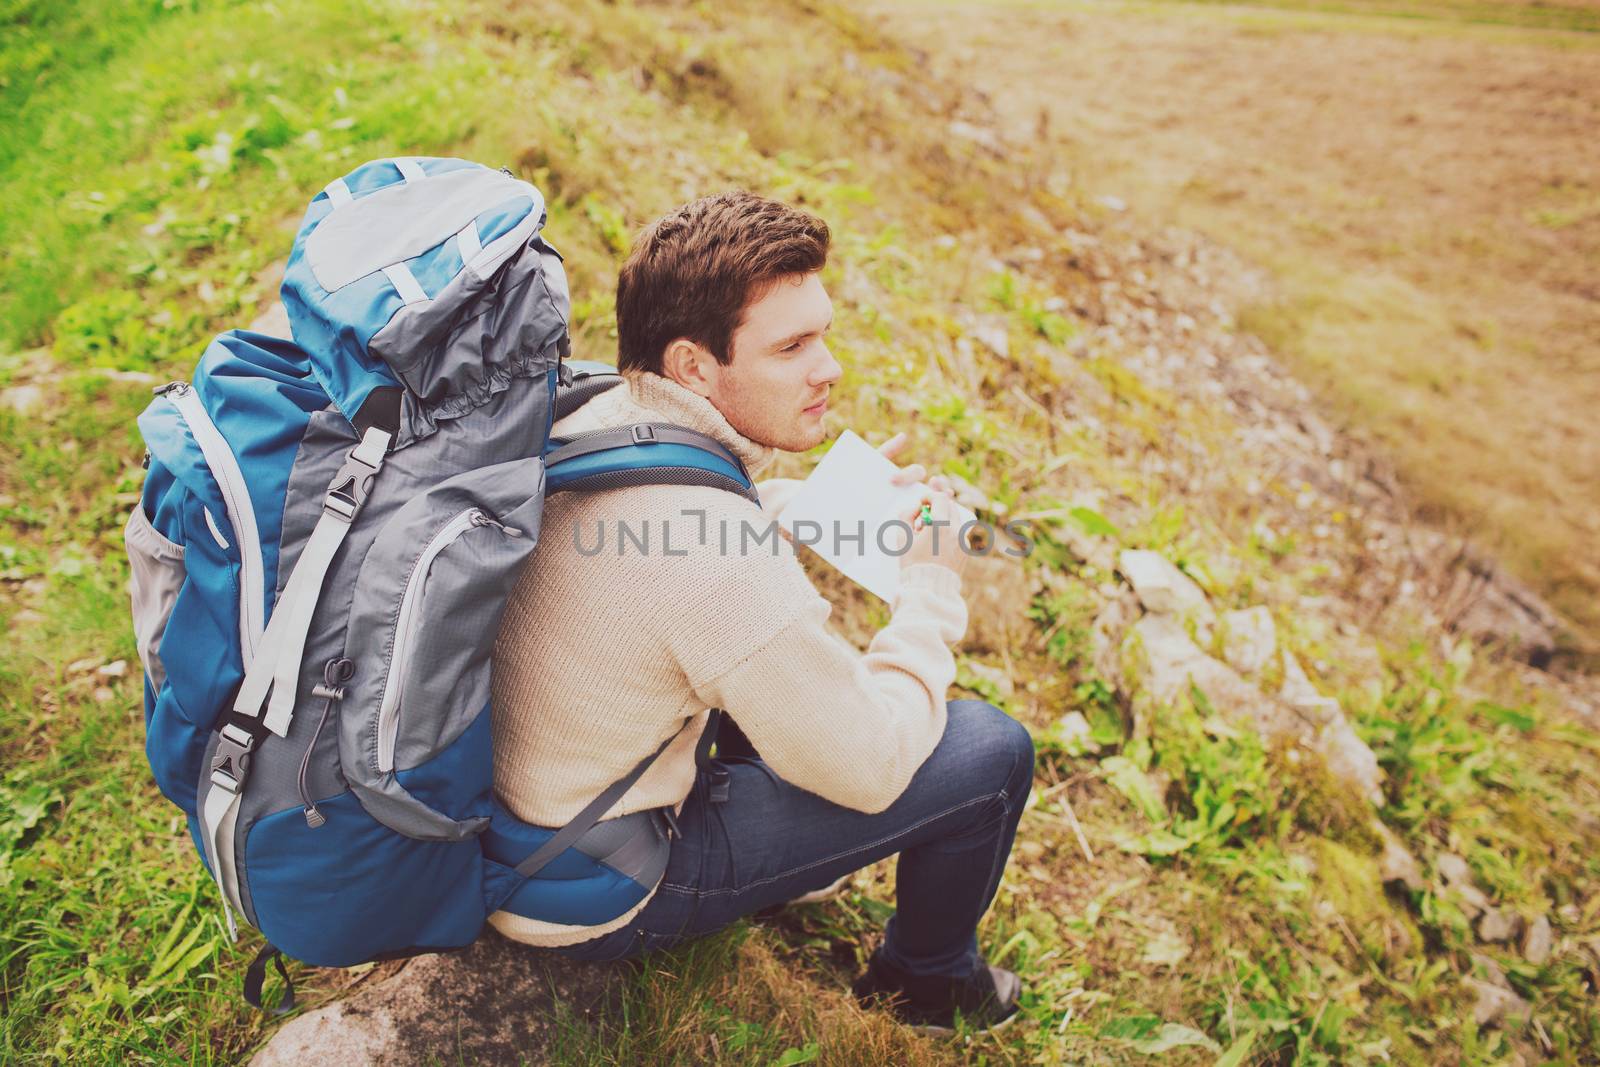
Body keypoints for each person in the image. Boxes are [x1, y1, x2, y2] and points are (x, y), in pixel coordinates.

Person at [490, 190, 1034, 1032]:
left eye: (823, 333)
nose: (829, 368)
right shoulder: (717, 560)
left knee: (769, 678)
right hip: (594, 882)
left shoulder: (596, 408)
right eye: (792, 347)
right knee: (991, 751)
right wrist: (932, 585)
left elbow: (654, 545)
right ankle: (928, 982)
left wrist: (811, 506)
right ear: (694, 366)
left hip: (511, 818)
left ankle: (797, 863)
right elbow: (872, 766)